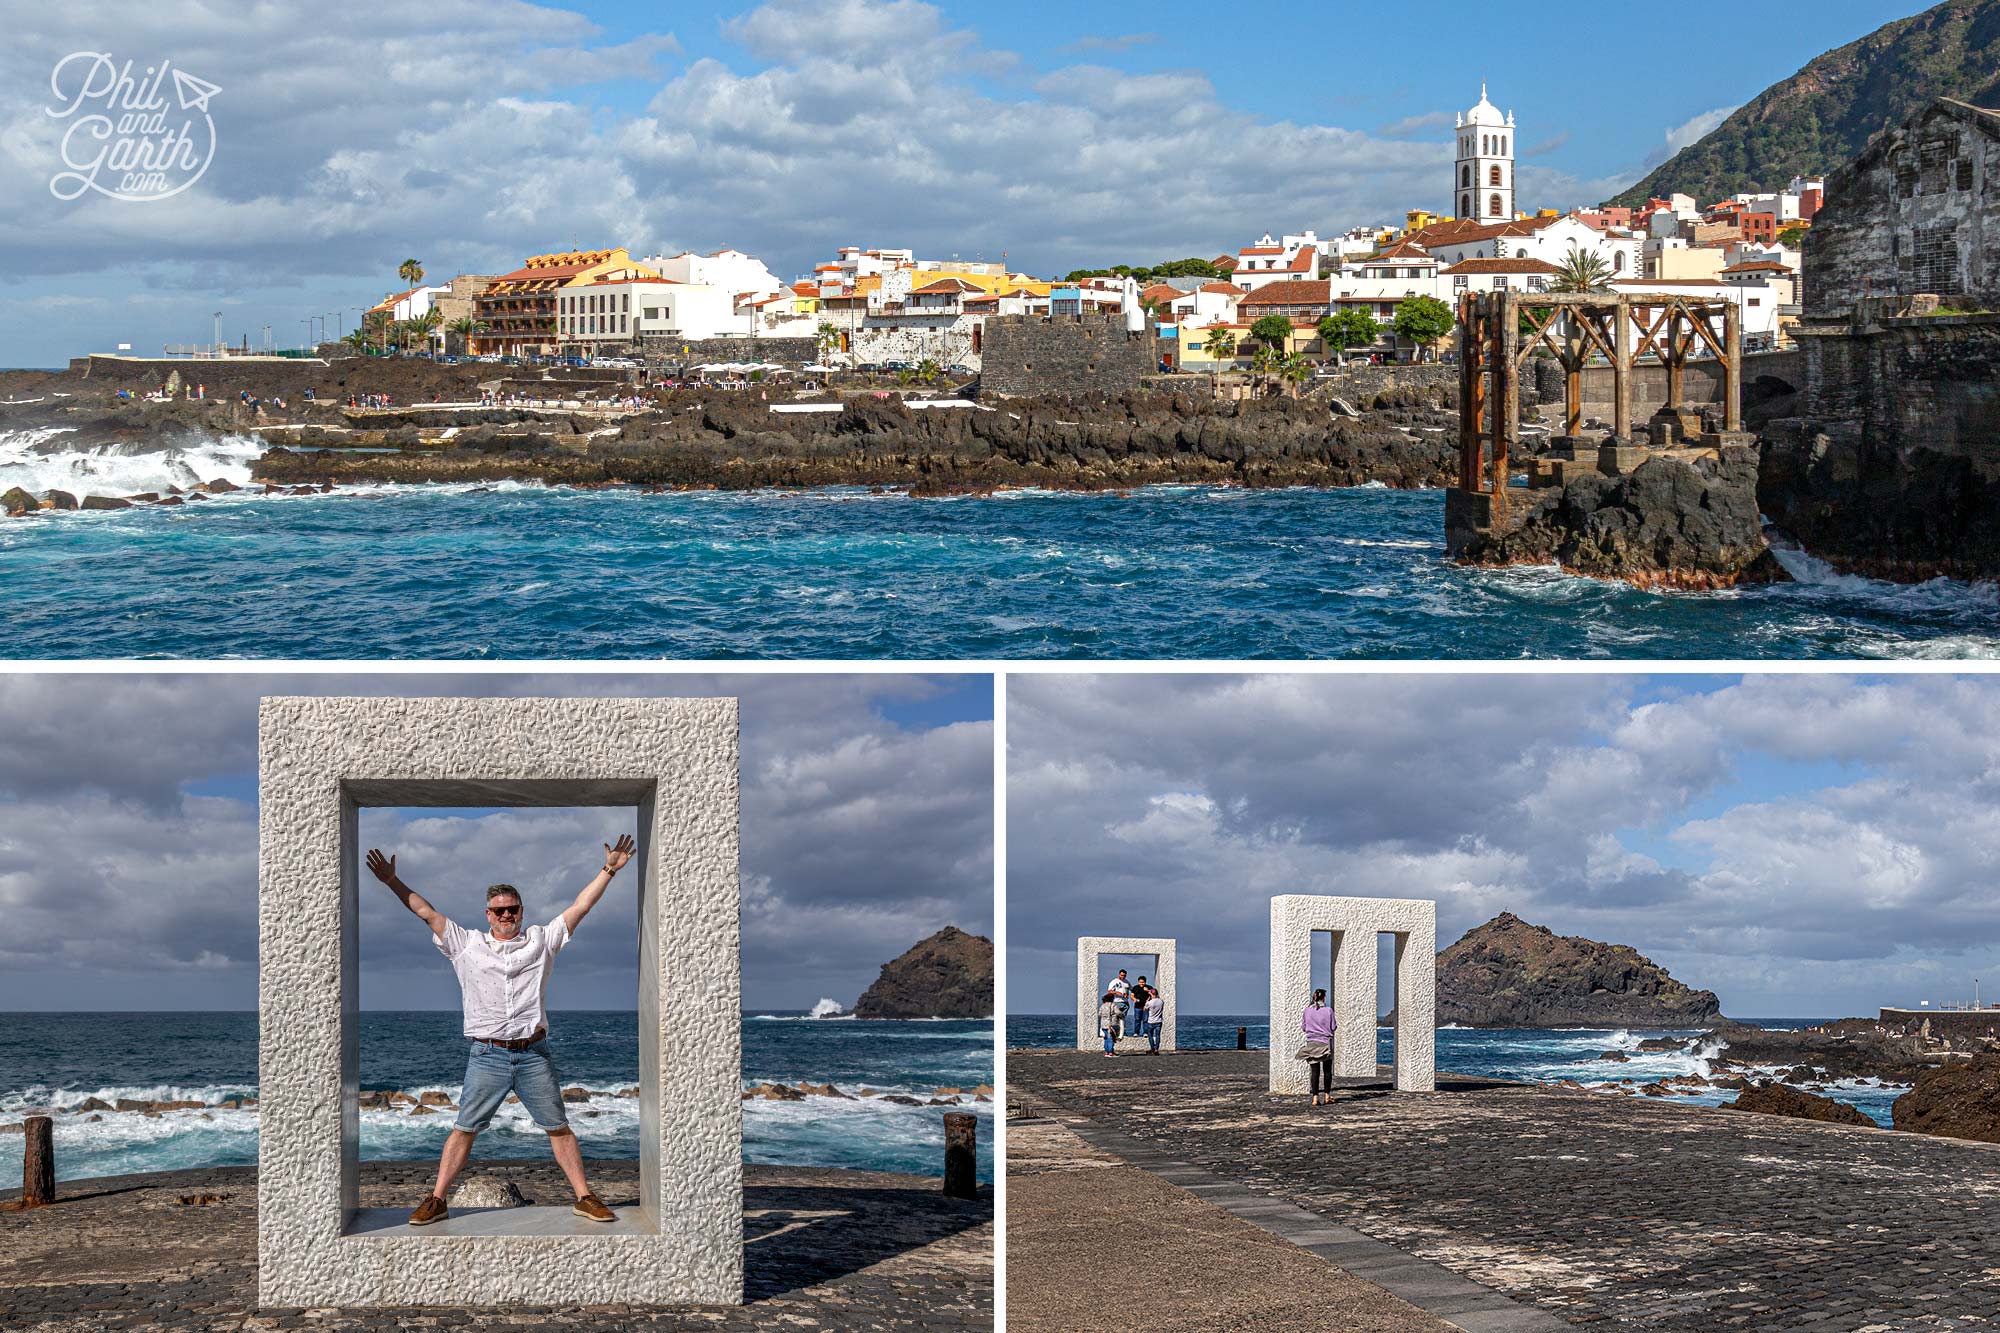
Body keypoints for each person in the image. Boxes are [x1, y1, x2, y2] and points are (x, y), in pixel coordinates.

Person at [365, 835, 637, 1226]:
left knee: (558, 1128)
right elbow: (426, 912)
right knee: (464, 1129)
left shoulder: (542, 941)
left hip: (533, 1054)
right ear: (488, 914)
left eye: (512, 910)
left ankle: (585, 1196)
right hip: (487, 1055)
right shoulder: (466, 944)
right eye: (499, 911)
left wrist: (609, 869)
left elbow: (581, 906)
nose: (507, 915)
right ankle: (437, 1199)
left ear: (521, 911)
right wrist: (392, 881)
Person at [1302, 988, 1337, 1107]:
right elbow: (1333, 1027)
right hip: (1326, 1042)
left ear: (1313, 997)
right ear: (1324, 998)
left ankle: (1315, 1098)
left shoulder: (1307, 1010)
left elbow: (1304, 1027)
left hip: (1312, 1042)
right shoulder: (1328, 1010)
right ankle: (1327, 1096)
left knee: (1314, 1071)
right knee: (1327, 1071)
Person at [1107, 969, 1130, 1040]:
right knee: (1116, 1018)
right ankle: (1115, 1032)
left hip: (1125, 1002)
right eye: (1122, 975)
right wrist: (1117, 993)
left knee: (1123, 1018)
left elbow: (1131, 989)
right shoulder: (1114, 981)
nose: (1123, 977)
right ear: (1119, 974)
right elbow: (1109, 991)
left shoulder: (1126, 982)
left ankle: (1122, 1032)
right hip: (1117, 1002)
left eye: (1124, 975)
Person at [1098, 992, 1122, 1057]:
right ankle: (1111, 1052)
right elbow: (1118, 1012)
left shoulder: (1102, 1006)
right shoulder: (1113, 1005)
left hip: (1103, 1024)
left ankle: (1106, 1052)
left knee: (1106, 1038)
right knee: (1111, 1038)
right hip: (1111, 1024)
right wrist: (1122, 1015)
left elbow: (1099, 1014)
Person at [1143, 987, 1165, 1054]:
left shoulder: (1149, 1003)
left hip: (1151, 1021)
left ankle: (1152, 1049)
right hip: (1159, 1021)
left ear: (1151, 994)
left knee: (1150, 1035)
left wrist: (1146, 1001)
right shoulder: (1161, 1001)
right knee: (1157, 1035)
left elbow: (1144, 1009)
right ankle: (1156, 1049)